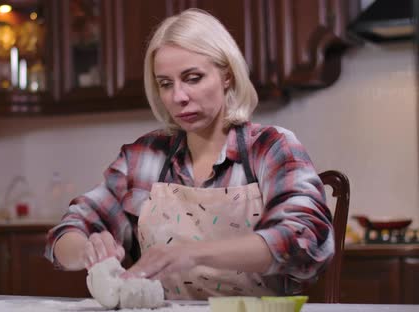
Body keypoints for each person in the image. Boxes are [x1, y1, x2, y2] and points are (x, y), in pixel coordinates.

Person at [45, 8, 333, 299]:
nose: (178, 97)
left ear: (227, 76)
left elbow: (304, 238)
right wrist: (87, 251)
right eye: (165, 84)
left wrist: (193, 254)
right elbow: (67, 232)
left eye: (193, 78)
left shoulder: (270, 147)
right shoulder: (144, 158)